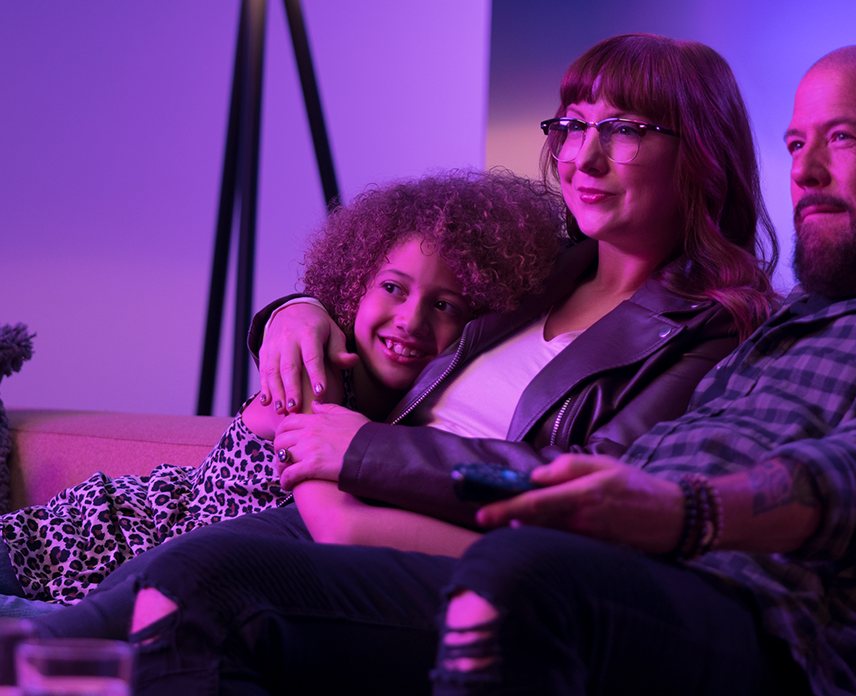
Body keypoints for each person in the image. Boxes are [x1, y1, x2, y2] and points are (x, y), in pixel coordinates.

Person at [108, 42, 856, 695]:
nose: (803, 170)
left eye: (843, 138)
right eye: (796, 143)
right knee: (210, 581)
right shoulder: (782, 332)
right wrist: (296, 310)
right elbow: (409, 307)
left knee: (521, 577)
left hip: (779, 634)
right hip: (613, 567)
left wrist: (683, 511)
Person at [33, 32, 779, 642]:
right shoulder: (537, 271)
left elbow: (590, 481)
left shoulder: (716, 327)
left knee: (187, 582)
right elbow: (385, 288)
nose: (582, 156)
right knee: (129, 592)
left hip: (432, 545)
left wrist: (357, 454)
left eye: (623, 129)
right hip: (327, 502)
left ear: (700, 152)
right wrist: (295, 311)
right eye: (574, 124)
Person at [0, 169, 563, 607]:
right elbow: (339, 524)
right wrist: (298, 310)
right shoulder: (316, 374)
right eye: (393, 288)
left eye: (445, 305)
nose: (411, 320)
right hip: (79, 549)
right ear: (355, 284)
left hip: (154, 584)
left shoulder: (428, 420)